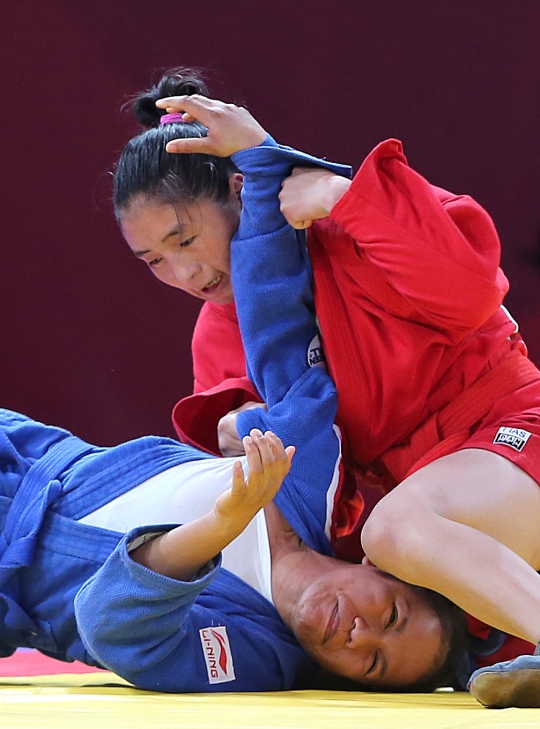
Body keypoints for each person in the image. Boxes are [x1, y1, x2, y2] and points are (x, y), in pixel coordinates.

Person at [0, 106, 466, 695]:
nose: (360, 636)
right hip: (27, 454)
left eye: (373, 664)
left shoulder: (256, 652)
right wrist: (263, 168)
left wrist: (220, 525)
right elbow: (278, 329)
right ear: (386, 568)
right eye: (391, 617)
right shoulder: (308, 476)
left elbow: (116, 631)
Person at [112, 71, 540, 707]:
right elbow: (283, 494)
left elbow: (473, 291)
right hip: (430, 510)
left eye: (185, 239)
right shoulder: (219, 332)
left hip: (510, 426)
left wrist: (346, 197)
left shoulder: (348, 216)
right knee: (399, 569)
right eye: (154, 262)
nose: (184, 273)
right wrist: (235, 431)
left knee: (396, 531)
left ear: (238, 189)